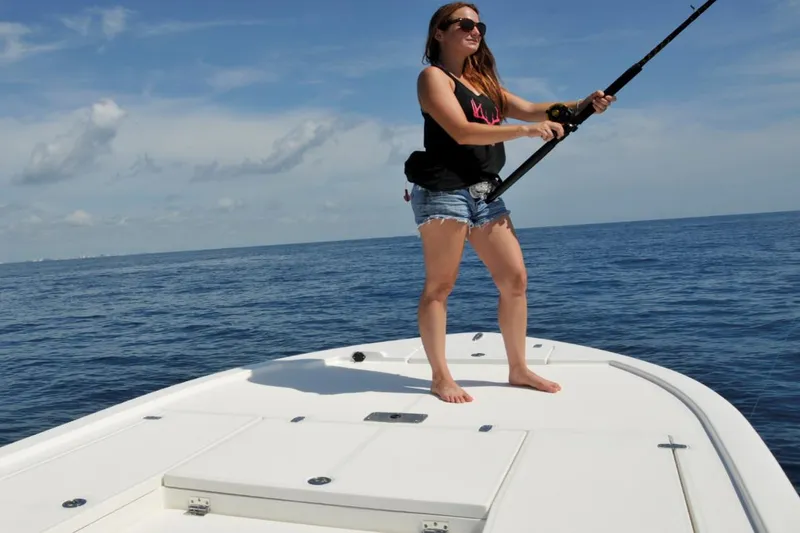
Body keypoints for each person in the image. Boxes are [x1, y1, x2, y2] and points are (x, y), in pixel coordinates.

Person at [403, 2, 616, 403]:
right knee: (441, 285)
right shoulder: (434, 78)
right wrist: (526, 132)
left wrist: (584, 104)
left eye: (479, 24)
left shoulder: (484, 85)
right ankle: (440, 377)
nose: (475, 30)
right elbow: (463, 132)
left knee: (514, 279)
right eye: (464, 23)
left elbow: (537, 108)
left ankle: (518, 369)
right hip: (445, 192)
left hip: (487, 193)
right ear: (439, 33)